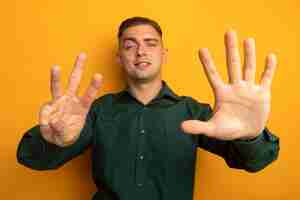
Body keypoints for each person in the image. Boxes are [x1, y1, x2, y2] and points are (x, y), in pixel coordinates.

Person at [17, 16, 280, 200]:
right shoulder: (97, 111)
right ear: (119, 57)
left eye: (150, 43)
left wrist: (251, 136)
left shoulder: (193, 112)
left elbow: (255, 162)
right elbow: (32, 158)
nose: (140, 51)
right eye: (130, 45)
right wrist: (51, 139)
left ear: (163, 53)